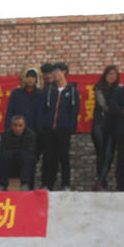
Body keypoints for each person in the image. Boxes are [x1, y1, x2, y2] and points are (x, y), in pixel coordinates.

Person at [38, 62, 79, 190]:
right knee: (48, 158)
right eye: (53, 72)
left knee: (64, 157)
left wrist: (70, 127)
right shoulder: (49, 91)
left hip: (63, 130)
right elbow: (42, 109)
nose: (54, 74)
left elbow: (74, 111)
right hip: (49, 129)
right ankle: (47, 184)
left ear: (64, 72)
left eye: (57, 71)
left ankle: (65, 184)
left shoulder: (72, 91)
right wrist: (43, 125)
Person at [92, 65, 119, 190]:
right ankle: (101, 181)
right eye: (109, 73)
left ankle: (101, 181)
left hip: (113, 126)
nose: (111, 76)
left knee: (109, 155)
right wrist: (116, 110)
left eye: (114, 74)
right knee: (101, 154)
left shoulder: (119, 90)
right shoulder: (99, 88)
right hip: (100, 124)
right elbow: (102, 105)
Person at [0, 115, 36, 189]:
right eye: (15, 125)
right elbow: (3, 150)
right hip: (11, 160)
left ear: (24, 126)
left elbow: (30, 150)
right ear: (11, 126)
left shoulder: (31, 135)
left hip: (23, 160)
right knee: (5, 156)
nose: (18, 128)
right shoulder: (6, 135)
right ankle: (2, 184)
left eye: (20, 125)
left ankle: (25, 183)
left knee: (26, 156)